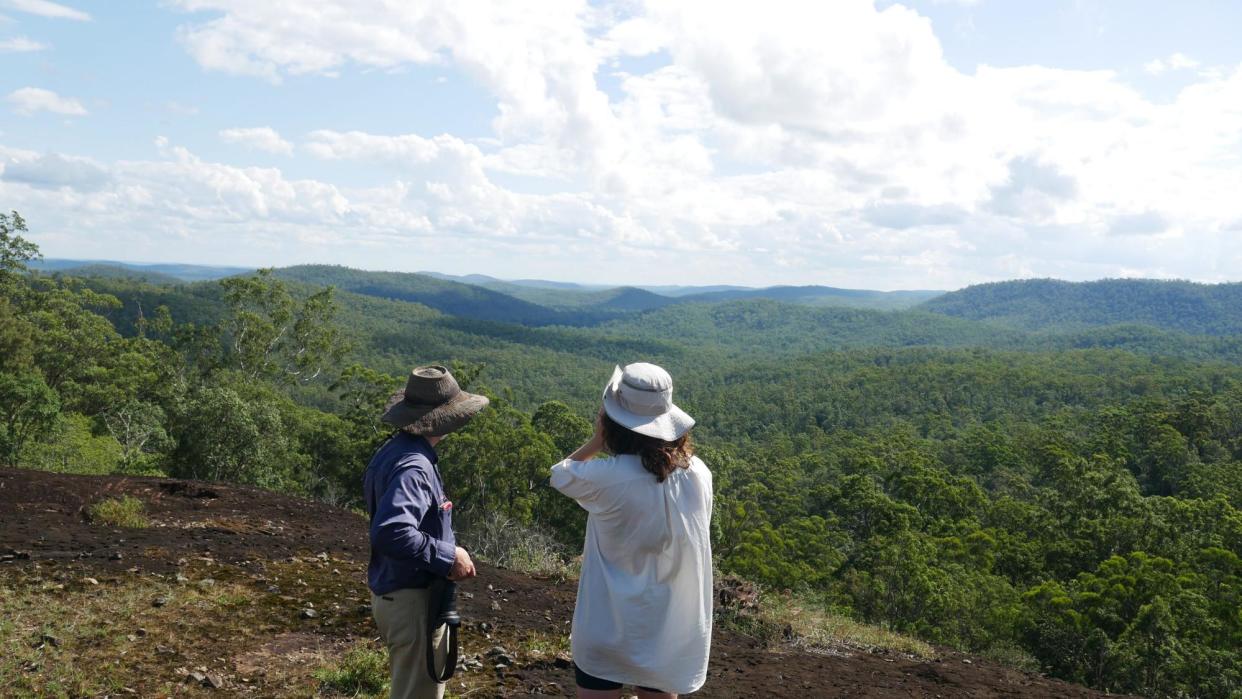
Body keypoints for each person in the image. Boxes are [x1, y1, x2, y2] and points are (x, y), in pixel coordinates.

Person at [550, 362, 713, 698]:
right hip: (669, 628)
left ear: (613, 423)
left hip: (604, 623)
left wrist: (597, 440)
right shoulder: (698, 475)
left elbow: (561, 474)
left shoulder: (606, 478)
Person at [364, 365, 488, 699]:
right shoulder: (415, 467)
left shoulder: (396, 452)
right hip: (413, 601)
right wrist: (450, 556)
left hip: (399, 594)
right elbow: (392, 532)